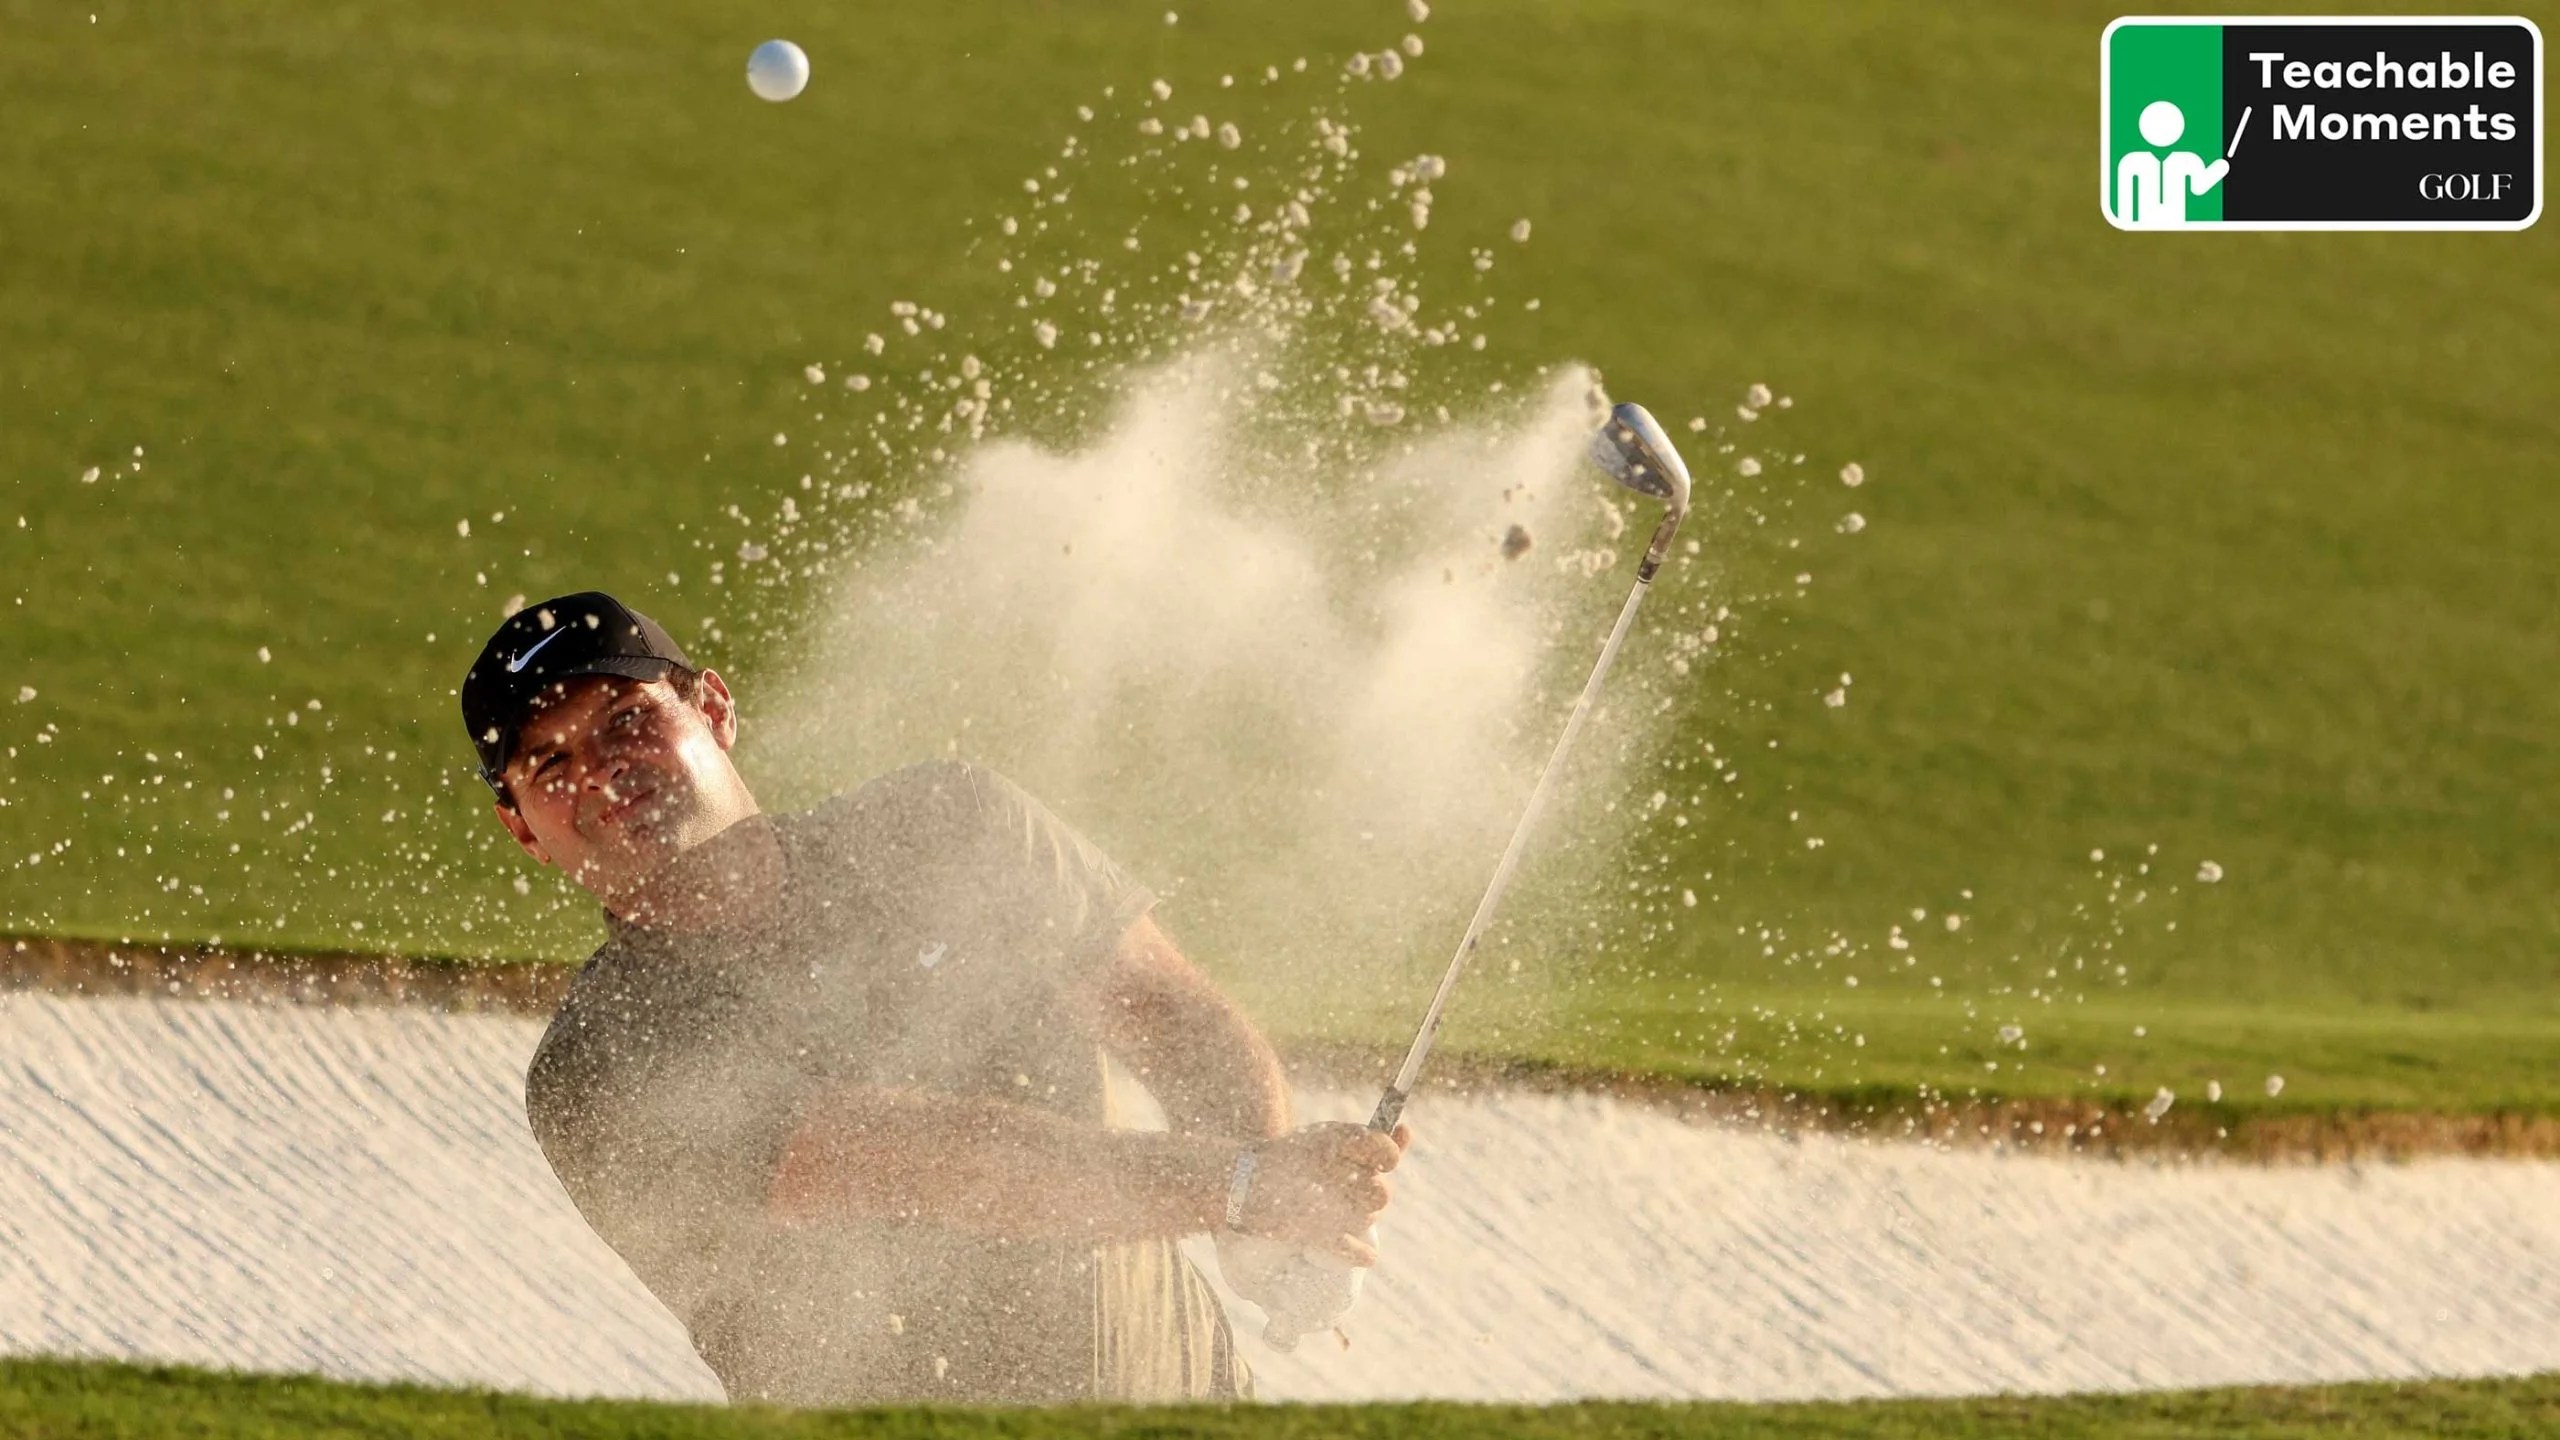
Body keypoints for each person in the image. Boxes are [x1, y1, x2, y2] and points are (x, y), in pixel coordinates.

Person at [459, 592, 1409, 1406]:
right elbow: (929, 1165)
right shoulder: (606, 1062)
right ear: (521, 829)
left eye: (628, 719)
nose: (601, 770)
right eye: (550, 764)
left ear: (711, 708)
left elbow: (1166, 1012)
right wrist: (1239, 1188)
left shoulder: (946, 824)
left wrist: (1264, 1213)